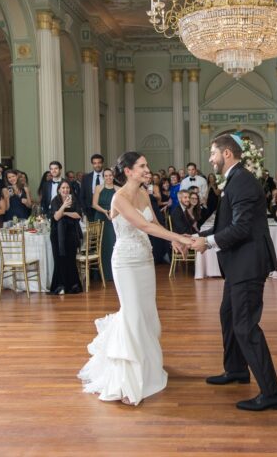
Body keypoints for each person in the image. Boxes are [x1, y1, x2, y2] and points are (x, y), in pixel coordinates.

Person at [78, 151, 193, 405]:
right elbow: (144, 226)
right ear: (128, 171)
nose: (147, 169)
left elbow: (157, 223)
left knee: (147, 313)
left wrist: (173, 240)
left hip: (145, 259)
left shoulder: (143, 193)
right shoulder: (119, 198)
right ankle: (128, 377)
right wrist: (180, 238)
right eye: (142, 165)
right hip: (126, 262)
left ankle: (149, 369)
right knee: (132, 314)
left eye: (147, 164)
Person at [194, 133, 277, 412]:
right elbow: (226, 224)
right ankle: (236, 369)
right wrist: (196, 236)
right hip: (239, 264)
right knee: (228, 315)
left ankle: (272, 394)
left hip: (248, 264)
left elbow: (242, 228)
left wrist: (206, 242)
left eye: (213, 153)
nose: (210, 159)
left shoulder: (242, 181)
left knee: (246, 327)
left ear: (227, 154)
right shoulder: (236, 179)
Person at [48, 180, 84, 295]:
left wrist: (65, 213)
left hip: (71, 234)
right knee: (59, 260)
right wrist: (63, 206)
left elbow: (78, 215)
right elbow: (57, 217)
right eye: (63, 188)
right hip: (57, 236)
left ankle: (72, 285)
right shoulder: (55, 200)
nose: (65, 190)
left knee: (70, 260)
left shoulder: (74, 199)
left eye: (67, 188)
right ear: (59, 189)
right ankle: (60, 286)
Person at [91, 167, 117, 280]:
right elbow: (94, 204)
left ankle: (113, 274)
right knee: (101, 246)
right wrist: (105, 211)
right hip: (101, 217)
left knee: (113, 244)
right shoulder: (98, 188)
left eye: (110, 175)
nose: (108, 177)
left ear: (113, 176)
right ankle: (101, 275)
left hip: (113, 219)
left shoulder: (118, 189)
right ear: (103, 177)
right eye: (106, 176)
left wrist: (113, 212)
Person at [80, 153, 106, 220]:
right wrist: (85, 210)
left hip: (105, 209)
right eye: (95, 163)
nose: (97, 165)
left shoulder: (108, 176)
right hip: (90, 211)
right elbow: (82, 196)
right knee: (93, 231)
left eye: (99, 163)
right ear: (92, 164)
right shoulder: (86, 178)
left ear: (102, 163)